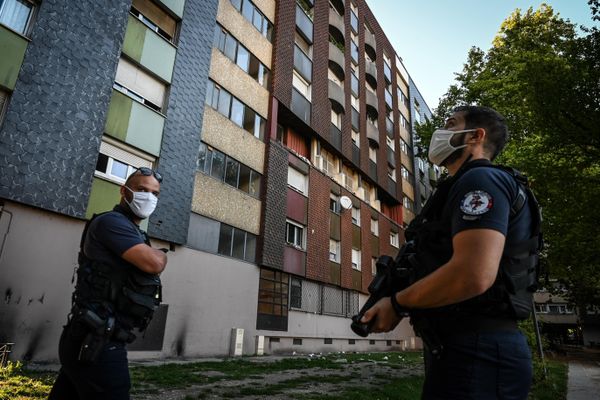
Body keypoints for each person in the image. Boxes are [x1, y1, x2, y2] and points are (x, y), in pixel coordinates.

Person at [361, 106, 541, 399]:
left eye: (450, 124)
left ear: (475, 136)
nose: (439, 133)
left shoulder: (480, 181)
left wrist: (396, 303)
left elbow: (474, 274)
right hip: (462, 348)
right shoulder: (465, 184)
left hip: (479, 351)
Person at [49, 167, 168, 400]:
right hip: (97, 341)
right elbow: (154, 262)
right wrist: (162, 254)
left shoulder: (133, 231)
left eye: (155, 193)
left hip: (91, 337)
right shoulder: (111, 222)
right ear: (124, 191)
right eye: (142, 190)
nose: (149, 198)